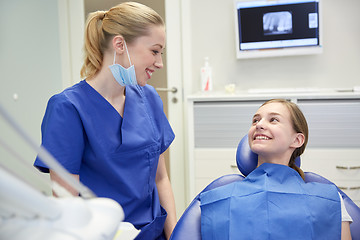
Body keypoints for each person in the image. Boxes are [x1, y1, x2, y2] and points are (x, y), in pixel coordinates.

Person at [34, 2, 176, 240]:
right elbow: (68, 205)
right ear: (120, 44)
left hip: (153, 232)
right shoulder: (68, 108)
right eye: (154, 51)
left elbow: (161, 178)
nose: (160, 62)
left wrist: (176, 236)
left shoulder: (149, 97)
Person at [200, 99, 352, 240]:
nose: (259, 125)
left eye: (273, 120)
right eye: (255, 120)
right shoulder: (217, 200)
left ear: (297, 140)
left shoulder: (329, 201)